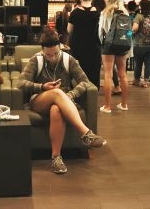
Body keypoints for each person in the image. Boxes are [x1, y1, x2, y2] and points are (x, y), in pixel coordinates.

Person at [17, 28, 106, 174]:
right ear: (43, 51)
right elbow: (20, 83)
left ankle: (56, 158)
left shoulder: (68, 59)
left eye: (55, 54)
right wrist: (41, 86)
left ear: (61, 48)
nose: (52, 57)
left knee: (56, 110)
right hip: (40, 100)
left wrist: (71, 94)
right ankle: (85, 133)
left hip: (64, 102)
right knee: (57, 93)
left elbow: (85, 81)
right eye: (48, 55)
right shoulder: (36, 60)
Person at [98, 0, 130, 113]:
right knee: (123, 74)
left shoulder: (106, 12)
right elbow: (129, 32)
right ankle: (124, 104)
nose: (105, 0)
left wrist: (102, 43)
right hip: (123, 44)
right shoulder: (125, 13)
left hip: (109, 45)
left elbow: (101, 32)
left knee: (108, 74)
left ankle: (107, 106)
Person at [68, 0, 101, 88]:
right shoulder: (98, 13)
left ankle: (79, 91)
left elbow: (69, 30)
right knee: (93, 70)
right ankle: (93, 92)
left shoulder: (75, 12)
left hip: (78, 46)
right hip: (94, 46)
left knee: (78, 70)